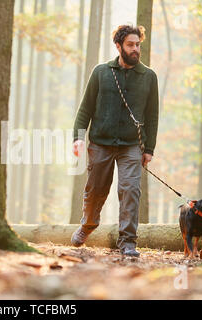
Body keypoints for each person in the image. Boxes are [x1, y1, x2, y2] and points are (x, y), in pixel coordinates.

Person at [71, 25, 159, 257]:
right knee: (96, 190)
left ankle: (128, 241)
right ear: (118, 46)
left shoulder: (149, 77)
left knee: (130, 190)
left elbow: (152, 115)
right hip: (100, 143)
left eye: (138, 44)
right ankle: (88, 225)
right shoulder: (101, 72)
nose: (135, 49)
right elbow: (85, 108)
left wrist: (149, 148)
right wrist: (78, 138)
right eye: (130, 44)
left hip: (131, 145)